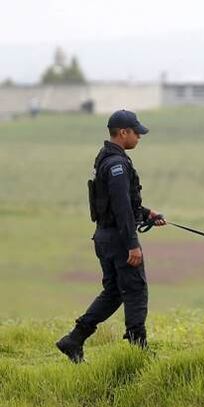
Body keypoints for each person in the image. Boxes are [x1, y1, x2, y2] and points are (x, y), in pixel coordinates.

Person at [56, 110, 166, 363]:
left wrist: (147, 213)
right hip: (118, 239)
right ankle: (139, 351)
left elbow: (118, 202)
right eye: (136, 132)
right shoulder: (117, 164)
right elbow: (121, 206)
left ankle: (74, 339)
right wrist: (132, 244)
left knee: (114, 292)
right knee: (135, 290)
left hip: (104, 236)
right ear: (123, 132)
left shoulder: (105, 158)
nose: (139, 136)